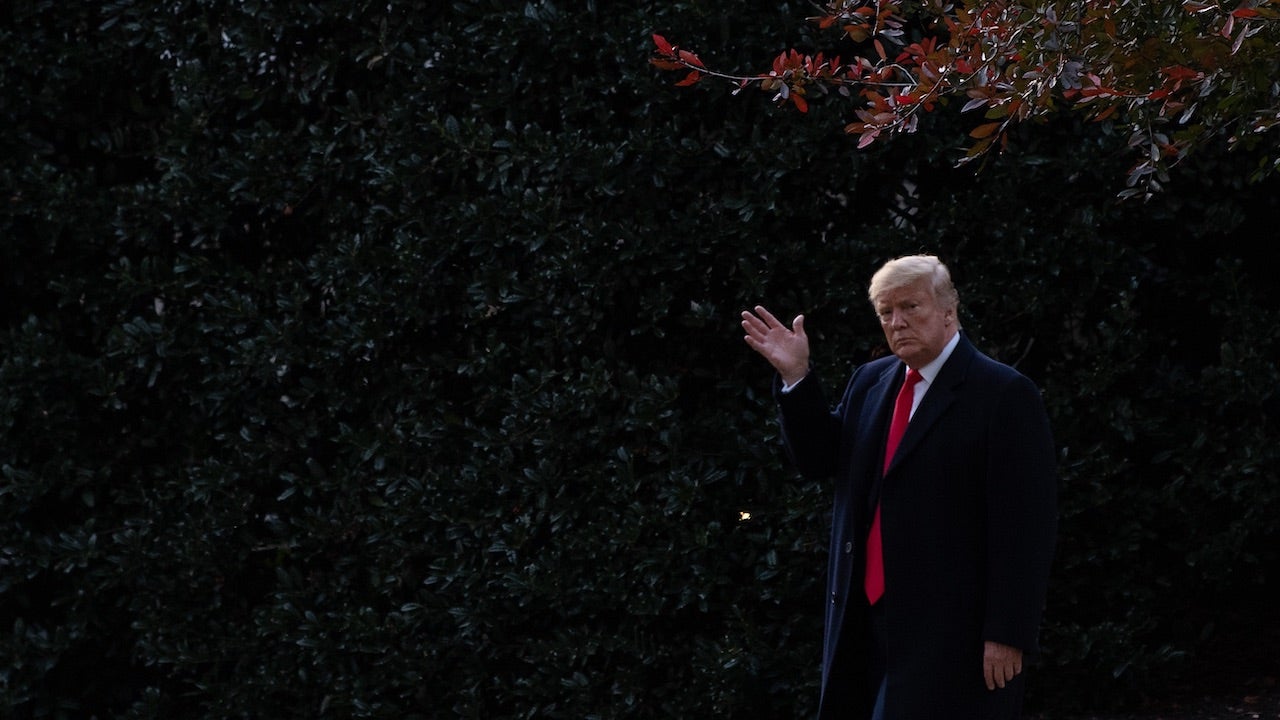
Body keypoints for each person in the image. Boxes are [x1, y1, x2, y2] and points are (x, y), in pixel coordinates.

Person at [741, 255, 1058, 719]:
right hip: (861, 618)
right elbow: (820, 460)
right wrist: (797, 379)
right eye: (886, 312)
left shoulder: (1003, 393)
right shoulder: (871, 382)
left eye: (911, 307)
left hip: (951, 628)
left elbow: (1026, 525)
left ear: (949, 311)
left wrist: (1008, 631)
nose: (897, 322)